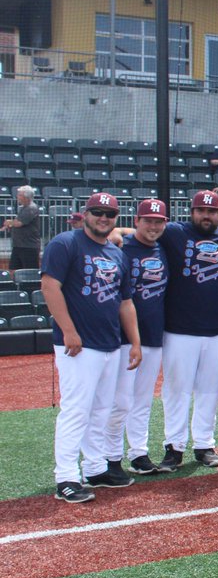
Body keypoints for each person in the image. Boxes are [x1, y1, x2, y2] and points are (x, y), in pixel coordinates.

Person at [40, 192, 140, 503]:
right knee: (76, 410)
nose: (103, 218)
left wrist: (134, 342)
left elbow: (125, 302)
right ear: (85, 213)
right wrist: (69, 331)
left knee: (100, 410)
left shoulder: (116, 254)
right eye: (98, 212)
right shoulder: (65, 243)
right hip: (78, 346)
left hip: (110, 344)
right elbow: (49, 286)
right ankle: (66, 476)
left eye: (109, 214)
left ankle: (96, 468)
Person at [158, 190, 218, 470]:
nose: (206, 215)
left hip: (217, 330)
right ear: (191, 212)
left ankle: (204, 445)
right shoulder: (174, 233)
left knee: (210, 390)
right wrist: (117, 232)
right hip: (178, 329)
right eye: (201, 211)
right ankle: (174, 447)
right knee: (176, 390)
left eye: (212, 211)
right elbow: (145, 228)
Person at [105, 198, 169, 479]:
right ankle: (111, 457)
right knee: (120, 401)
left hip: (154, 334)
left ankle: (139, 453)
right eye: (148, 220)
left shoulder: (164, 247)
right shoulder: (121, 248)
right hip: (124, 338)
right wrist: (116, 231)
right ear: (136, 221)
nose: (153, 226)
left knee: (142, 399)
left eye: (158, 221)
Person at [4, 185, 41, 270]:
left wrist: (9, 222)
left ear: (27, 197)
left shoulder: (31, 208)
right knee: (14, 270)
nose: (18, 197)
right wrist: (10, 225)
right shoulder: (23, 208)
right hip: (19, 246)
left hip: (28, 247)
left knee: (30, 272)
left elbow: (19, 223)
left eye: (20, 195)